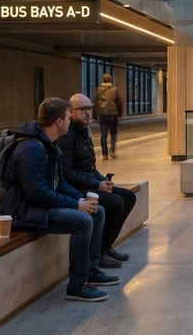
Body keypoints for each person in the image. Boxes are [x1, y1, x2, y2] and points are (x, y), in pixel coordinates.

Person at [0, 97, 120, 302]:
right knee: (83, 221)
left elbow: (60, 183)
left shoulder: (48, 145)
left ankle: (91, 270)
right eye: (67, 117)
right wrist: (75, 205)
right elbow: (37, 193)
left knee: (96, 211)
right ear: (59, 122)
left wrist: (82, 200)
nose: (70, 121)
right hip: (21, 211)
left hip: (36, 205)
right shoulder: (31, 149)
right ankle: (77, 285)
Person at [58, 93, 138, 270]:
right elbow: (67, 173)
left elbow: (90, 167)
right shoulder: (67, 136)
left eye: (89, 108)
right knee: (115, 203)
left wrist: (103, 181)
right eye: (82, 109)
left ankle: (107, 246)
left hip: (89, 184)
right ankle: (100, 252)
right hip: (76, 189)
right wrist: (96, 185)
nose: (87, 112)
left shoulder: (84, 132)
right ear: (71, 112)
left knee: (128, 196)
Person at [93, 73, 124, 160]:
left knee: (103, 135)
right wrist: (120, 114)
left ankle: (104, 154)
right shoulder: (115, 90)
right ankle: (113, 151)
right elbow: (119, 103)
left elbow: (95, 103)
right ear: (110, 80)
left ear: (102, 80)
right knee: (113, 134)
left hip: (102, 115)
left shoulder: (98, 90)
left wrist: (95, 115)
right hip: (113, 115)